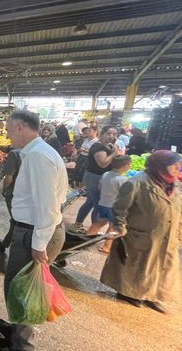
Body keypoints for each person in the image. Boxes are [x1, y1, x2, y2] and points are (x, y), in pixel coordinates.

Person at [0, 110, 67, 351]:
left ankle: (21, 345)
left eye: (9, 130)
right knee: (18, 285)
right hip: (32, 230)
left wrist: (38, 244)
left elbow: (48, 205)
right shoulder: (36, 153)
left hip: (35, 232)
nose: (7, 135)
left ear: (21, 127)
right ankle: (16, 332)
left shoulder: (38, 157)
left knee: (25, 291)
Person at [100, 150, 181, 314]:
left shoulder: (173, 185)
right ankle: (130, 293)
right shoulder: (137, 183)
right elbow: (120, 208)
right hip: (141, 235)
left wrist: (178, 231)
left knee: (161, 267)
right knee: (139, 267)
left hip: (166, 236)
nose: (176, 169)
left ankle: (152, 296)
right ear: (160, 166)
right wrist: (121, 226)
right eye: (173, 165)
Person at [73, 126, 120, 233]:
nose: (111, 136)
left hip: (99, 178)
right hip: (94, 178)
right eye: (109, 134)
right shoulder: (98, 147)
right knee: (98, 205)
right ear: (101, 133)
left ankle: (78, 224)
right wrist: (114, 154)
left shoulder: (108, 146)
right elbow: (102, 164)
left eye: (114, 134)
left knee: (90, 202)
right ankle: (93, 231)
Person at [86, 155, 132, 253]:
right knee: (113, 227)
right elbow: (124, 195)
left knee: (100, 222)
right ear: (125, 166)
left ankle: (87, 239)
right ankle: (107, 247)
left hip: (103, 203)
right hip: (113, 206)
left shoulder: (106, 174)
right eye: (129, 165)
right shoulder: (122, 179)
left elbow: (100, 187)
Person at [0, 149, 22, 254]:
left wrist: (4, 189)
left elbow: (9, 177)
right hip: (26, 195)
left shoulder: (15, 154)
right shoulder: (36, 152)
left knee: (16, 221)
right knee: (16, 221)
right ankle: (5, 243)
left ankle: (6, 244)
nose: (8, 136)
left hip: (15, 193)